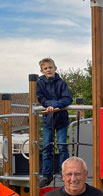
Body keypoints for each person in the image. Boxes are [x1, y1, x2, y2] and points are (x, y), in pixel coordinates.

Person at [37, 57, 73, 188]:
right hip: (48, 120)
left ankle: (66, 172)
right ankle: (47, 175)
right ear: (42, 70)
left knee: (62, 146)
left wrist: (55, 105)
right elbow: (40, 97)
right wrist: (49, 105)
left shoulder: (61, 83)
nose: (48, 70)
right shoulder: (40, 83)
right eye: (45, 68)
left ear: (55, 68)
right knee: (47, 147)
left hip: (61, 119)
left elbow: (68, 98)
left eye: (50, 67)